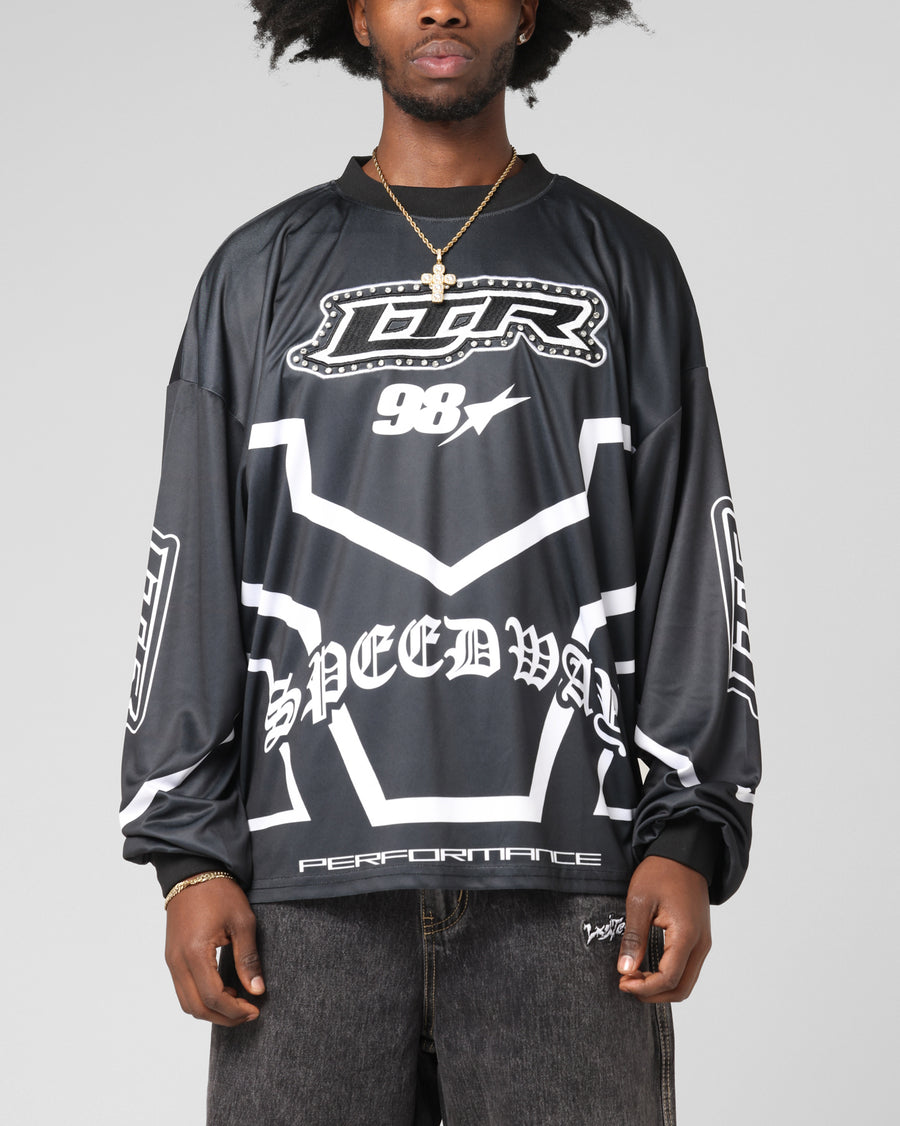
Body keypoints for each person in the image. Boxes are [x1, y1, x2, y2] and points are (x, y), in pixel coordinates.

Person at [120, 2, 761, 1123]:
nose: (442, 5)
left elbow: (689, 553)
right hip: (304, 892)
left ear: (531, 10)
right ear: (357, 14)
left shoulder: (626, 266)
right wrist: (190, 857)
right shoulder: (258, 270)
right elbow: (194, 557)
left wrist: (690, 831)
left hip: (572, 881)